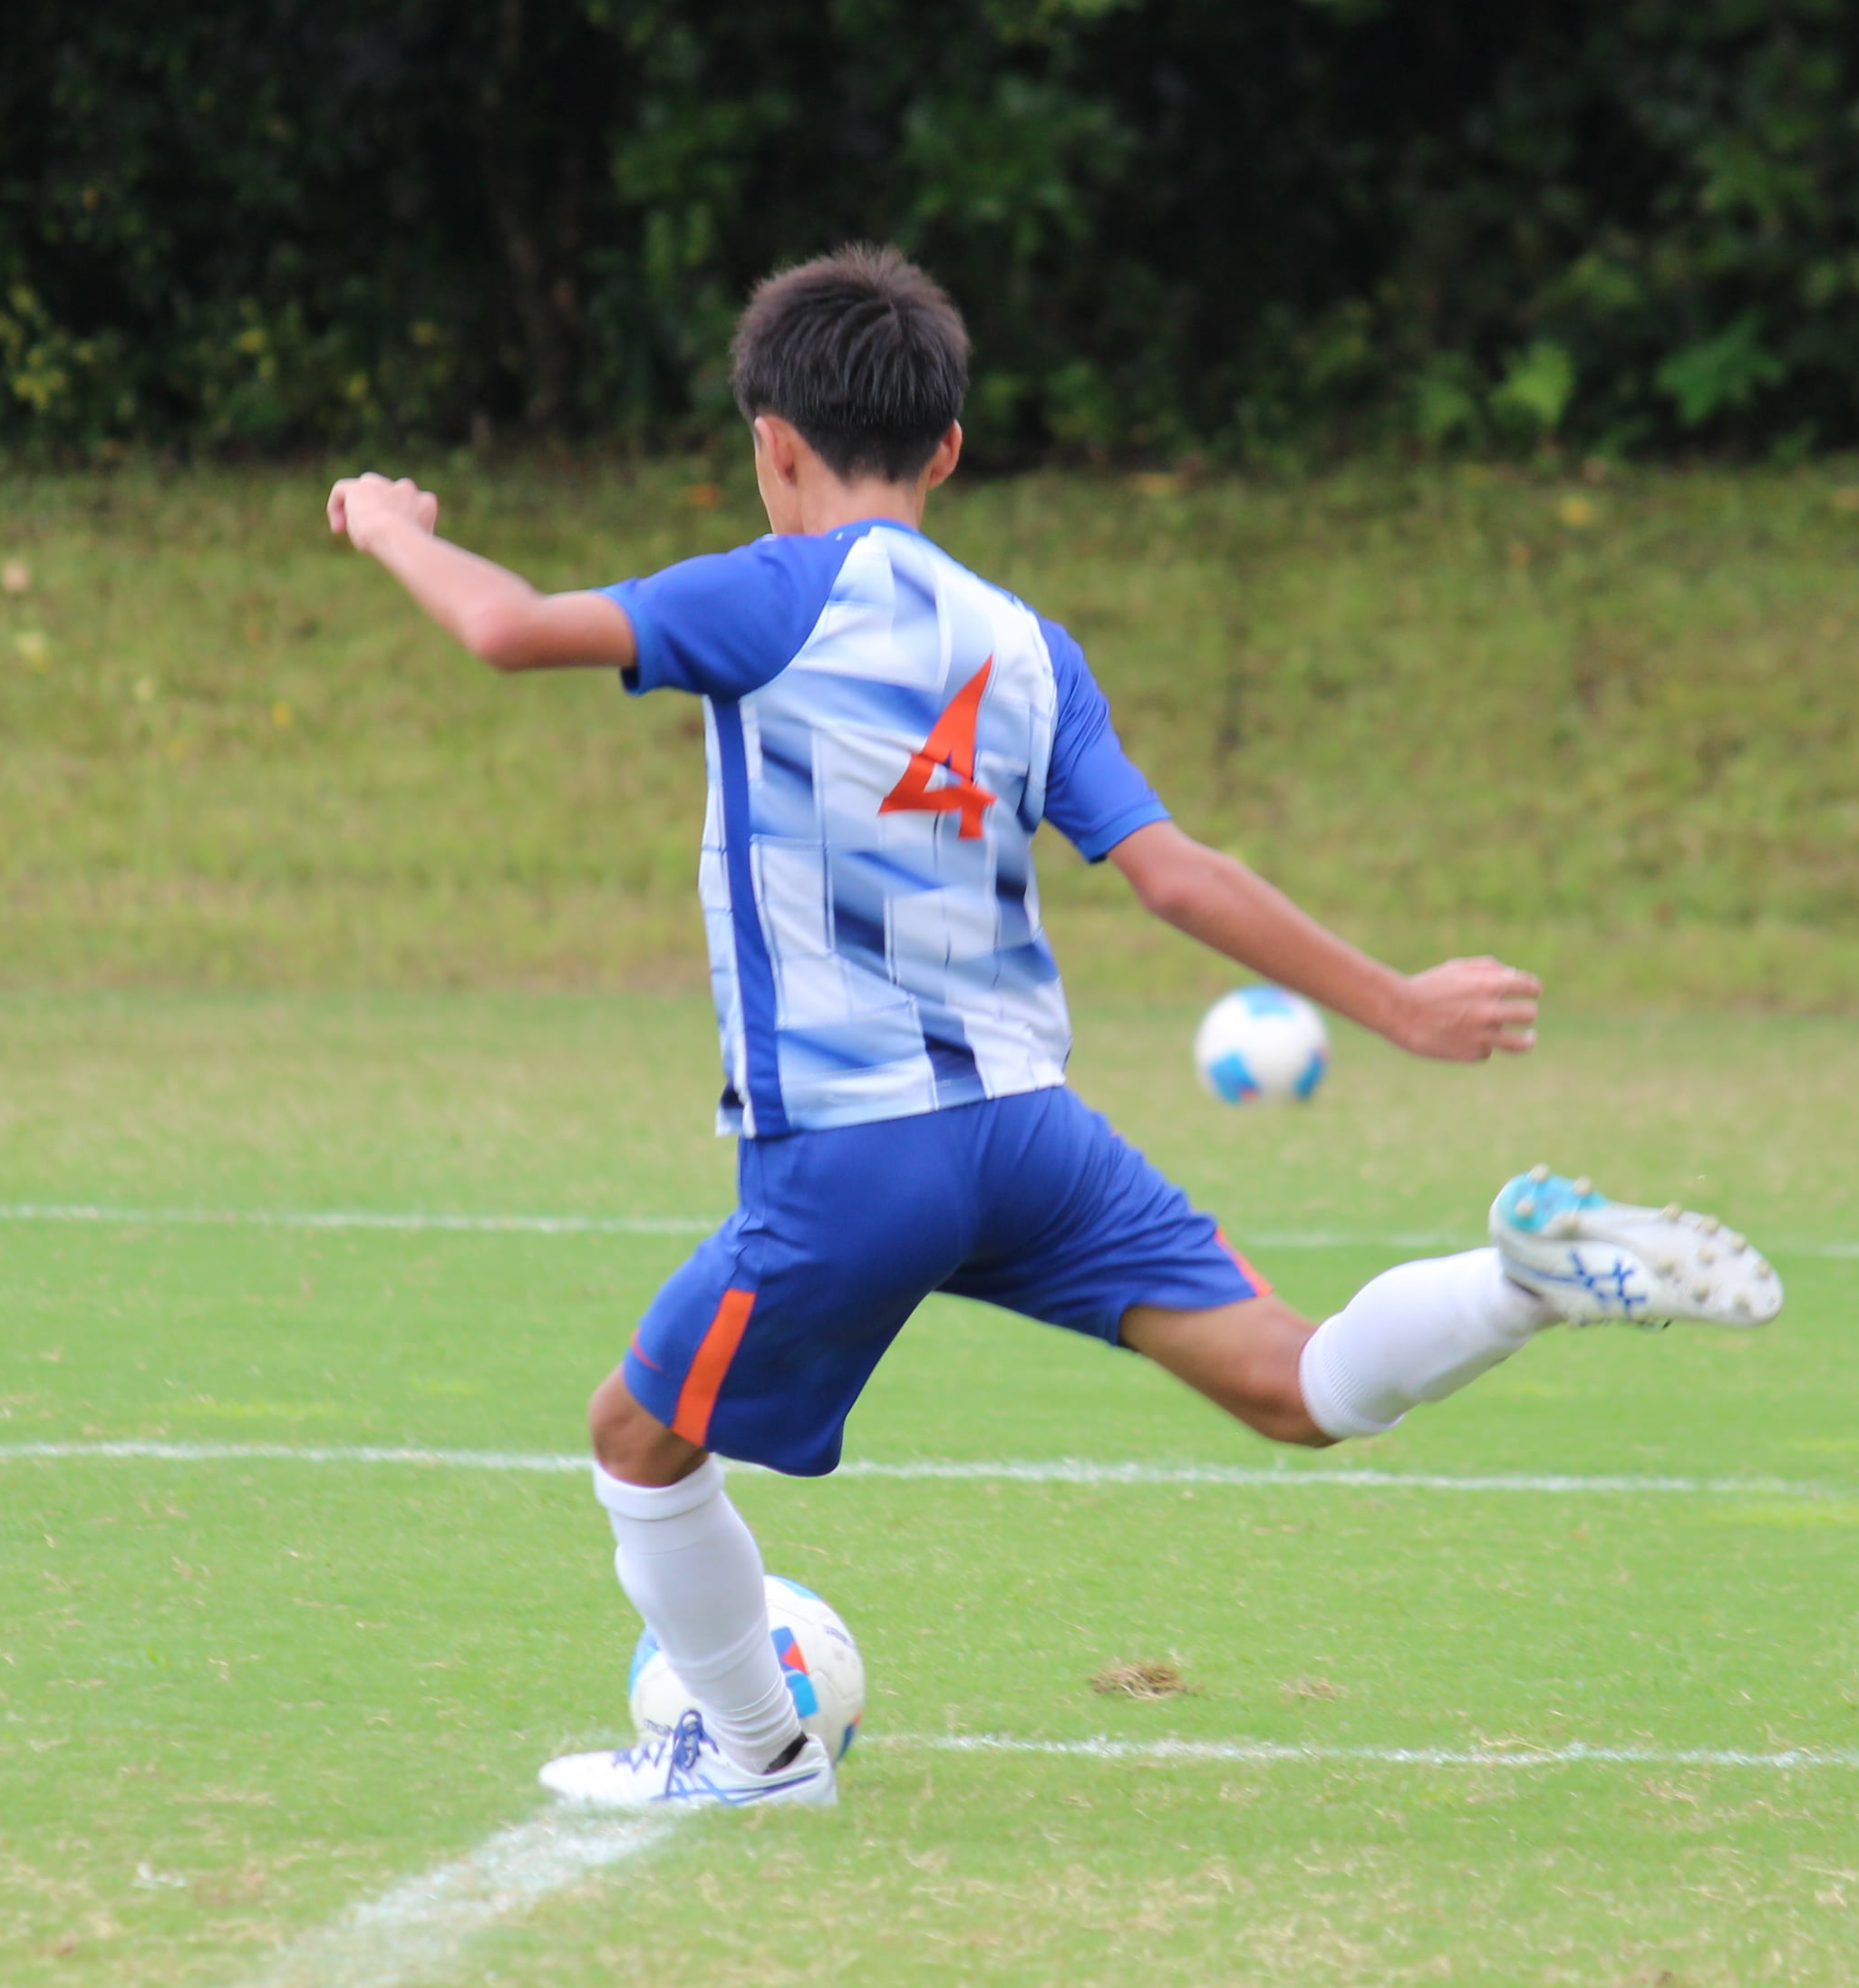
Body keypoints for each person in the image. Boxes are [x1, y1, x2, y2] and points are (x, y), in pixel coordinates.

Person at [324, 245, 1783, 1809]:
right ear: (948, 448)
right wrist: (1399, 1001)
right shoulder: (1026, 644)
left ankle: (754, 1753)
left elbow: (507, 628)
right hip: (1030, 1138)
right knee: (1296, 1385)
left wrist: (396, 527)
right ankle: (1518, 1284)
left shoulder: (768, 592)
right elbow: (1176, 875)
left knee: (638, 1440)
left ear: (771, 443)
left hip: (854, 1154)